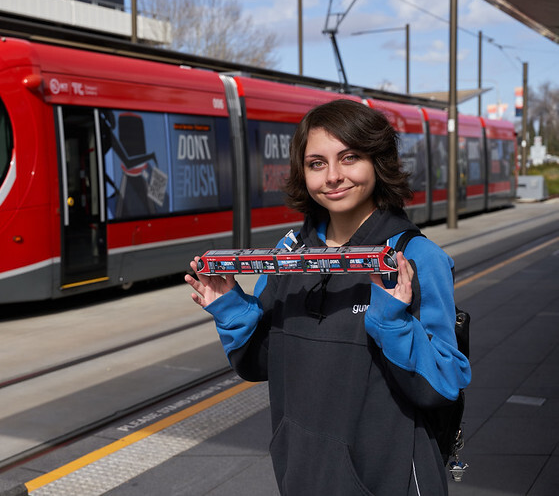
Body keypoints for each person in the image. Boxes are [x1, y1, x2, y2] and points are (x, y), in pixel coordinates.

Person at [185, 99, 471, 495]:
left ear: (377, 161)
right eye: (316, 163)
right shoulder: (288, 255)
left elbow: (442, 386)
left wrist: (391, 321)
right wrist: (230, 306)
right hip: (302, 476)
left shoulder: (417, 258)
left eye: (349, 157)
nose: (333, 176)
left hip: (390, 481)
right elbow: (260, 362)